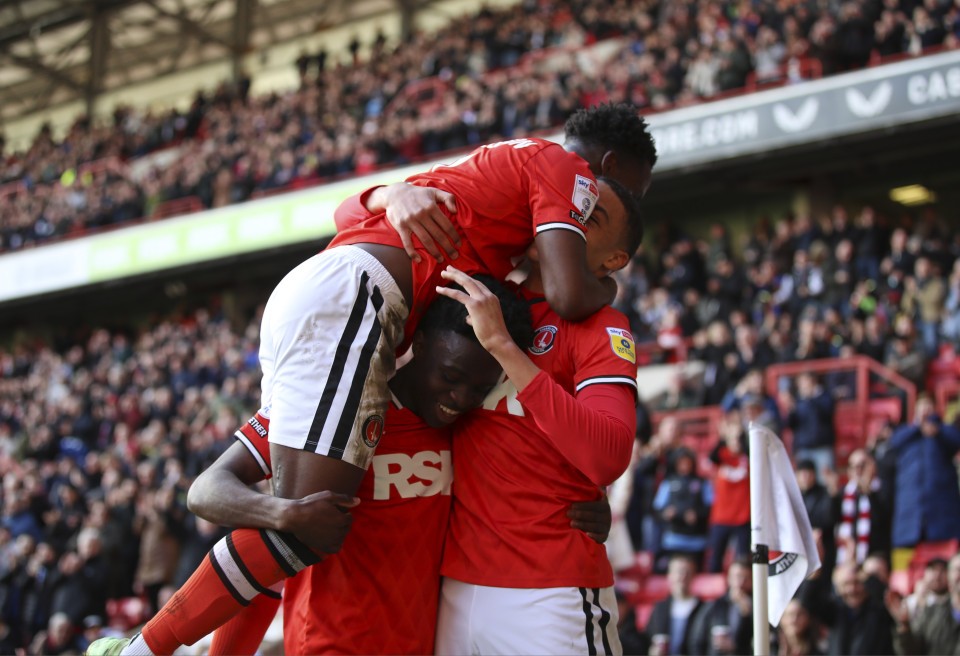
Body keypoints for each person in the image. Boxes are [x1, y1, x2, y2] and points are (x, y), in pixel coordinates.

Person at [89, 104, 657, 656]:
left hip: (354, 309)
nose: (462, 400)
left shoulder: (494, 268)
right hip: (353, 303)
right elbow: (566, 291)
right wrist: (394, 191)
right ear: (602, 169)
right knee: (304, 519)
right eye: (617, 195)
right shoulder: (560, 177)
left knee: (303, 519)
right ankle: (145, 648)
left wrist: (389, 193)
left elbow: (348, 214)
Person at [434, 178, 645, 654]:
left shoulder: (603, 327)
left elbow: (608, 455)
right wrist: (386, 196)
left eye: (591, 218)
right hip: (453, 587)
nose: (570, 217)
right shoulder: (478, 288)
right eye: (571, 206)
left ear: (613, 261)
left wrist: (506, 351)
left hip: (552, 594)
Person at [888, 395, 960, 550]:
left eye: (929, 407)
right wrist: (918, 428)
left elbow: (956, 441)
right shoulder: (907, 432)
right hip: (911, 507)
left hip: (941, 507)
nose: (925, 411)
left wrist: (937, 430)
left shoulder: (944, 431)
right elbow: (894, 442)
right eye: (922, 407)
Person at [887, 552, 960, 655]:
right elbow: (911, 652)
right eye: (958, 570)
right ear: (949, 575)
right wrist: (904, 626)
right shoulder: (930, 613)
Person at [689, 558, 754, 656]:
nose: (741, 583)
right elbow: (697, 641)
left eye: (746, 578)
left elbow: (766, 639)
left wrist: (750, 612)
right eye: (737, 577)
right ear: (729, 578)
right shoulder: (714, 606)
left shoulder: (759, 608)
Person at [644, 555, 704, 656]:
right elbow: (648, 638)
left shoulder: (703, 608)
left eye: (687, 572)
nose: (683, 576)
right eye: (679, 572)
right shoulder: (660, 608)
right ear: (669, 575)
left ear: (694, 575)